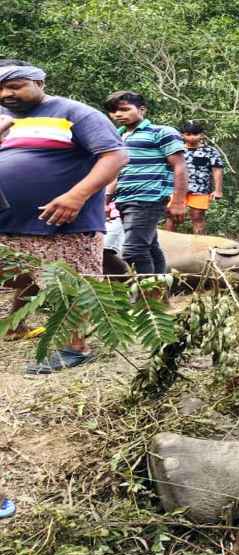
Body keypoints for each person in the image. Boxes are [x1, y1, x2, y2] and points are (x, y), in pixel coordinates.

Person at [0, 59, 128, 373]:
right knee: (25, 277)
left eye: (15, 86)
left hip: (63, 221)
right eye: (0, 89)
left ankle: (75, 347)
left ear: (40, 83)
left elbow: (115, 155)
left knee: (69, 283)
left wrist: (77, 195)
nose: (6, 94)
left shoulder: (74, 113)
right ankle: (16, 324)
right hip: (9, 221)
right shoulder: (4, 119)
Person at [104, 91, 187, 275]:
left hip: (149, 198)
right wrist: (106, 199)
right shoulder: (118, 136)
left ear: (142, 109)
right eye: (113, 111)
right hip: (124, 199)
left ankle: (147, 298)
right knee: (150, 248)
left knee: (133, 251)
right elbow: (117, 171)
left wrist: (179, 201)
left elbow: (180, 166)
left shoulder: (162, 132)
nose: (118, 115)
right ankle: (159, 296)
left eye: (125, 109)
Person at [164, 121, 223, 235]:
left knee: (197, 216)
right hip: (176, 189)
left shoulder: (210, 151)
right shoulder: (175, 150)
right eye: (188, 134)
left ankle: (199, 249)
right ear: (182, 135)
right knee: (172, 216)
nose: (192, 137)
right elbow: (166, 168)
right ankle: (167, 247)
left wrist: (218, 190)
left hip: (200, 190)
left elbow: (217, 170)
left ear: (202, 135)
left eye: (195, 134)